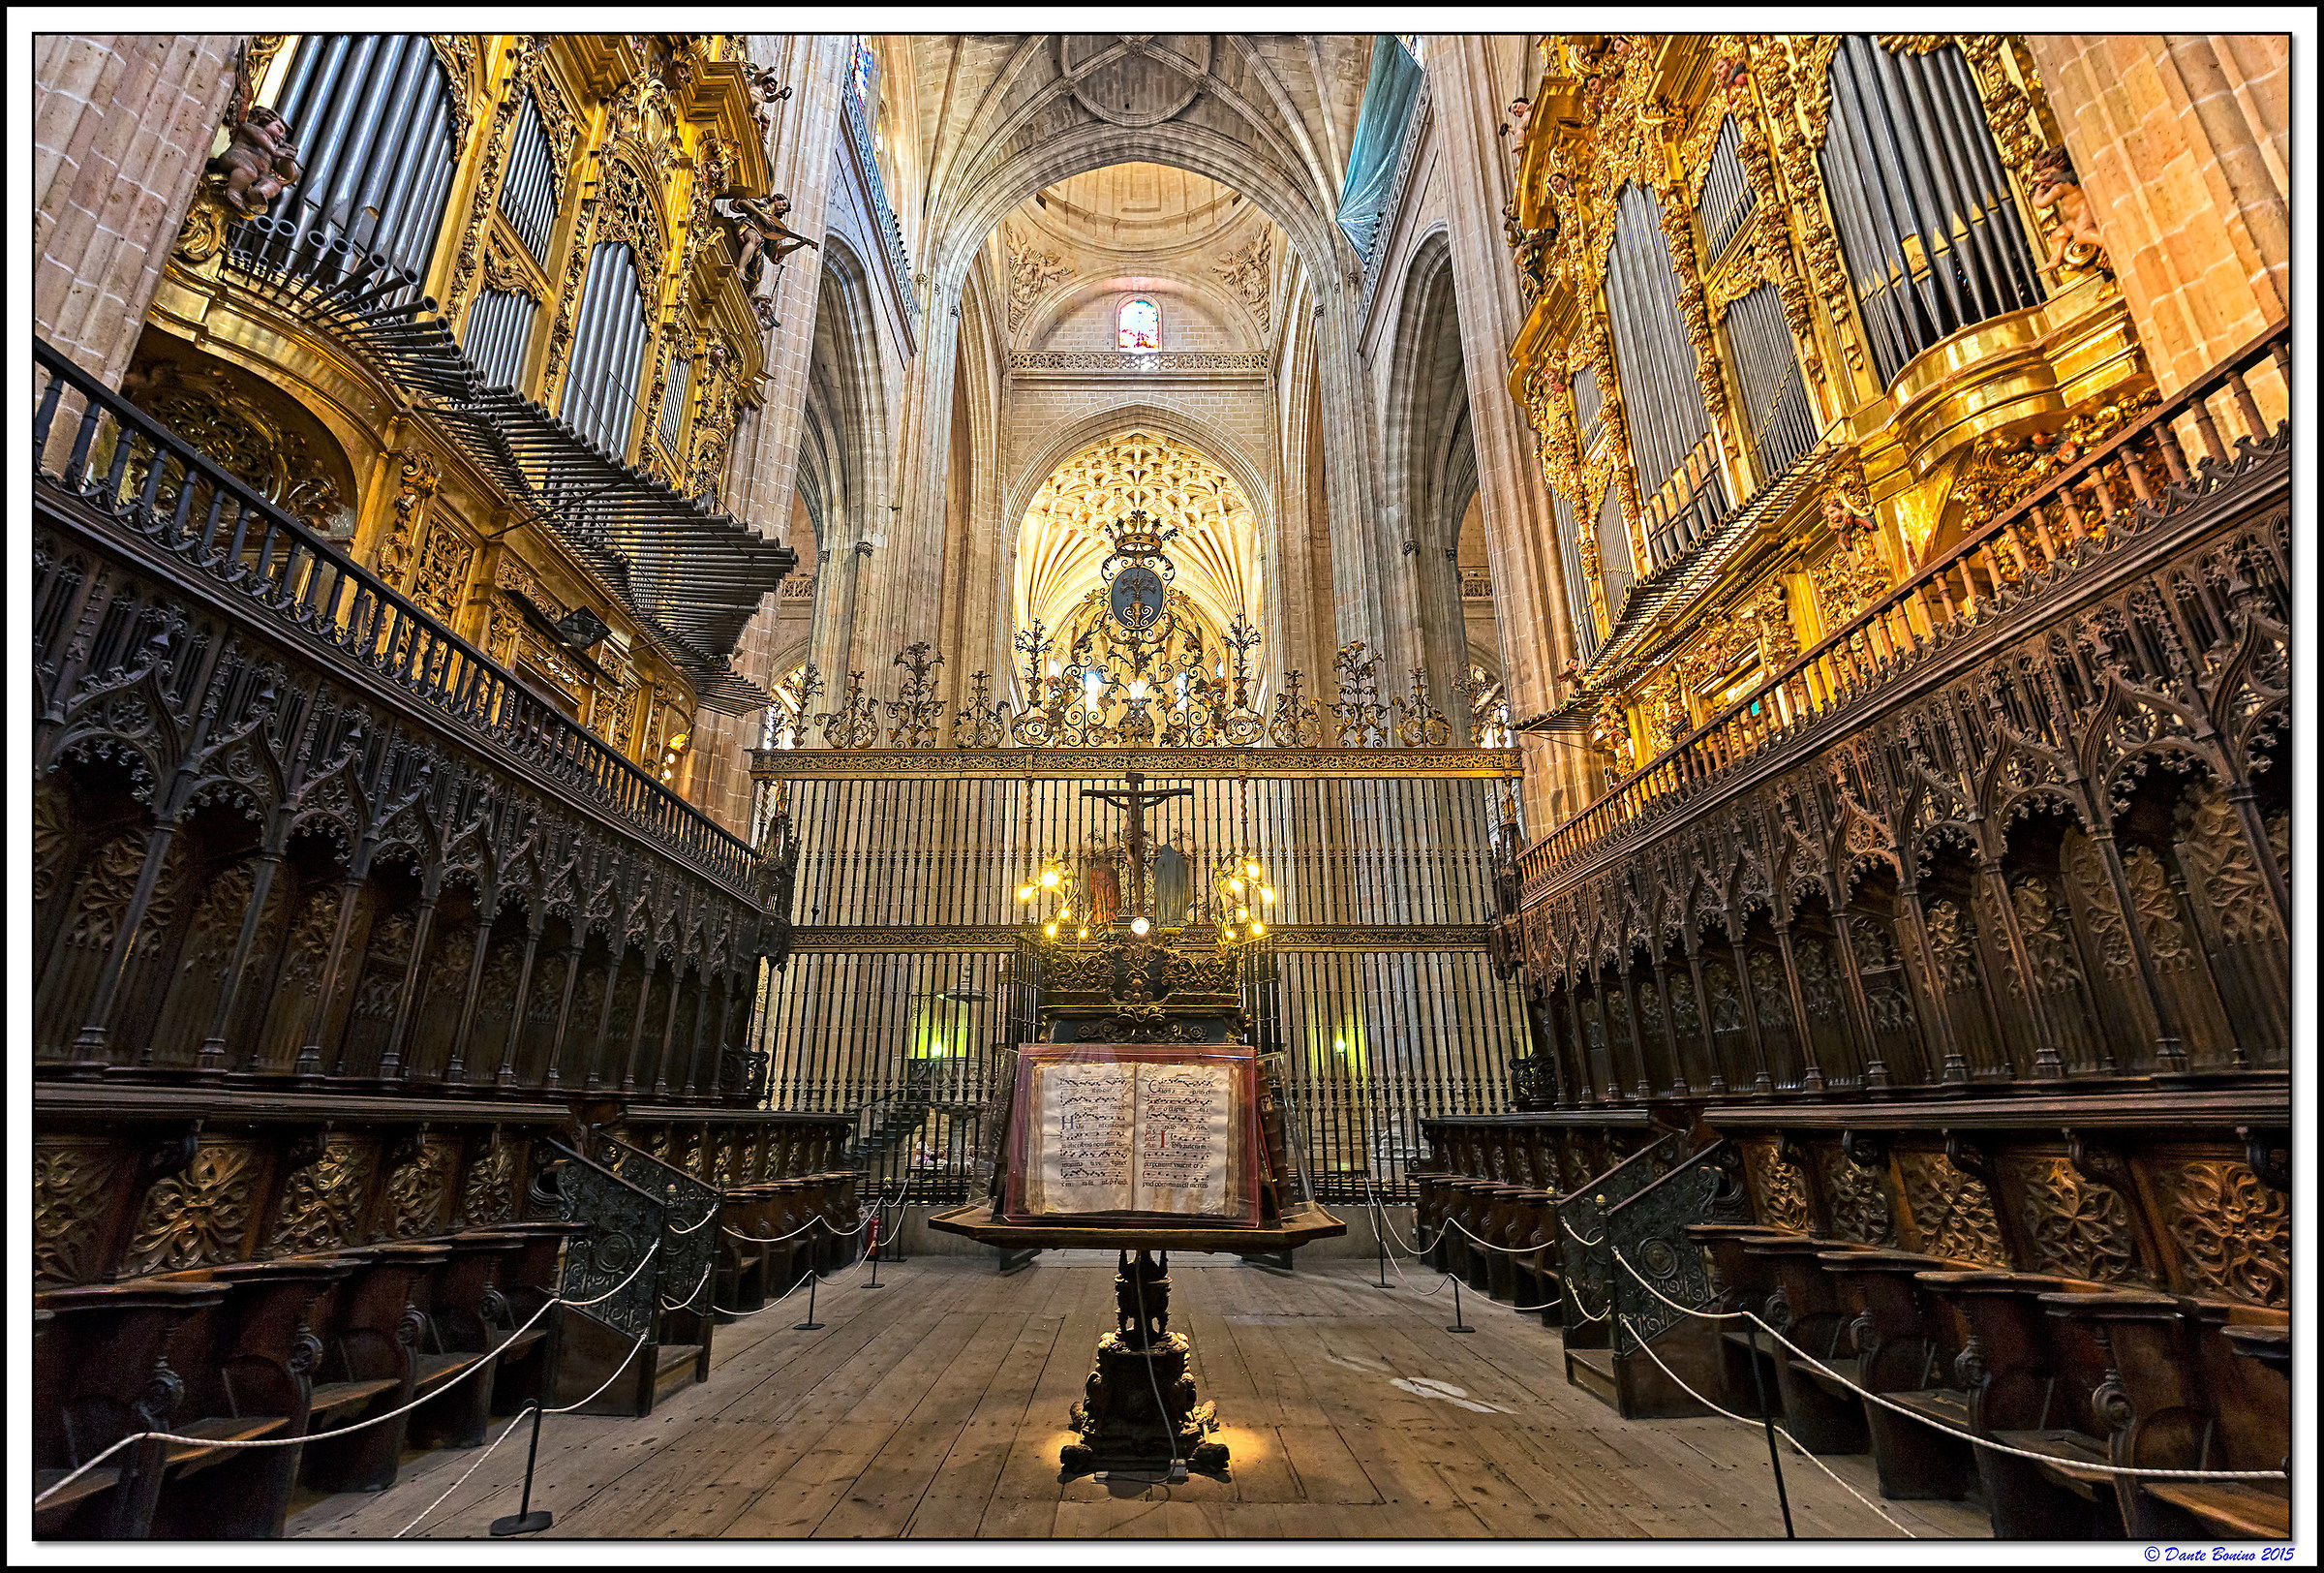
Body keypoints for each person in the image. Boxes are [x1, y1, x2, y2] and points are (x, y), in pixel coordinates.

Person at [1152, 830, 1191, 927]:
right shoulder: (1178, 859)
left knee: (1166, 904)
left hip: (1165, 889)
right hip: (1178, 888)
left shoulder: (1161, 860)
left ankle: (1165, 920)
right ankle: (1178, 919)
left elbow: (1156, 878)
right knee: (1176, 903)